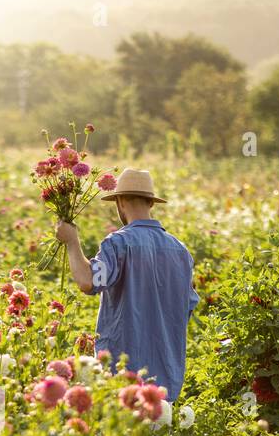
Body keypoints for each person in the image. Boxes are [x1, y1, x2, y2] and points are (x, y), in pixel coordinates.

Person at [55, 168, 198, 402]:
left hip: (123, 377)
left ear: (120, 202)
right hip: (166, 384)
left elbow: (88, 281)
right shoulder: (181, 252)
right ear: (151, 203)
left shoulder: (119, 243)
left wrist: (72, 241)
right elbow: (187, 309)